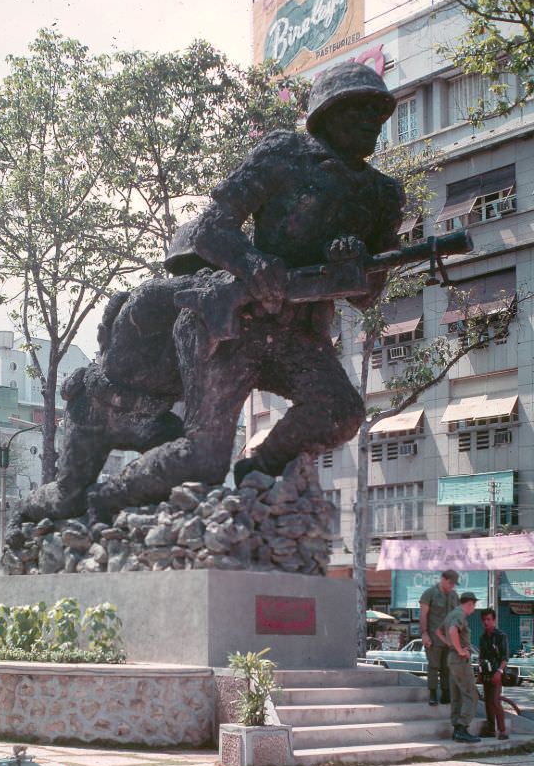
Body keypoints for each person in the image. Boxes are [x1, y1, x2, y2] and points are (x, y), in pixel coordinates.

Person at [85, 61, 404, 523]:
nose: (370, 122)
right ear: (328, 112)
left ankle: (257, 469)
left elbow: (367, 296)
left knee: (339, 411)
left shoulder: (383, 195)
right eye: (358, 110)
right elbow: (212, 228)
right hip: (235, 322)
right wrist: (253, 265)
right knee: (202, 457)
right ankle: (104, 499)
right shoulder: (286, 153)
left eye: (378, 114)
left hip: (301, 336)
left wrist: (354, 264)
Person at [438, 591, 481, 743]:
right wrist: (460, 649)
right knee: (471, 694)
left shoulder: (451, 614)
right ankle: (462, 728)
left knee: (456, 695)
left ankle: (457, 730)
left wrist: (451, 645)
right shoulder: (460, 615)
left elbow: (438, 631)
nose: (474, 610)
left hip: (451, 658)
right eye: (474, 606)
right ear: (469, 604)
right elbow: (452, 630)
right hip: (460, 659)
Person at [419, 570, 460, 706]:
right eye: (450, 583)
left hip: (449, 639)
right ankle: (432, 694)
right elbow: (423, 615)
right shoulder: (430, 593)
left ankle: (446, 693)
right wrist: (424, 633)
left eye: (454, 584)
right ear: (443, 579)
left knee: (447, 667)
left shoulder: (454, 596)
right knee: (434, 666)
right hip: (433, 638)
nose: (452, 586)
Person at [478, 607, 509, 740]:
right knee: (487, 702)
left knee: (495, 702)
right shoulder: (483, 637)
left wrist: (499, 672)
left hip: (497, 673)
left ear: (494, 620)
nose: (486, 622)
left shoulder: (501, 636)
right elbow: (481, 656)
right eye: (484, 620)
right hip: (486, 673)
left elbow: (505, 657)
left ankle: (502, 731)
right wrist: (479, 673)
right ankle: (491, 730)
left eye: (488, 619)